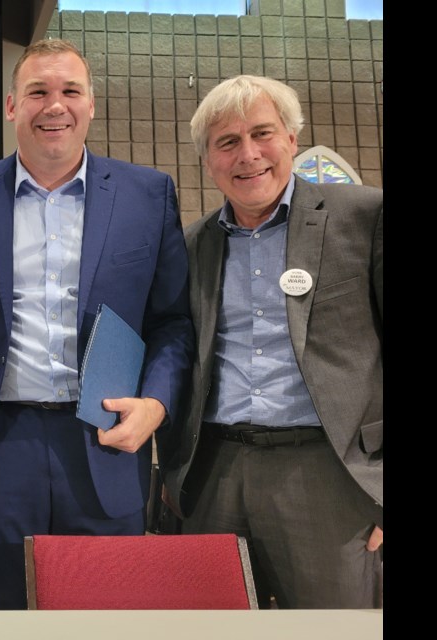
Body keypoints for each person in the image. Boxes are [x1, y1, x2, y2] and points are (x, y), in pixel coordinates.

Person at [0, 39, 193, 610]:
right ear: (11, 106)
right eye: (38, 92)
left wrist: (156, 403)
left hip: (106, 437)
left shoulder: (147, 195)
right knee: (5, 605)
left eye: (70, 91)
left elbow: (172, 320)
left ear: (91, 104)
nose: (55, 106)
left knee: (105, 609)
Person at [161, 75, 383, 608]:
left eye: (263, 134)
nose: (249, 155)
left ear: (291, 139)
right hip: (214, 472)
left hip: (329, 475)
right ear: (208, 159)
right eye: (228, 142)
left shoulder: (364, 217)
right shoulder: (191, 245)